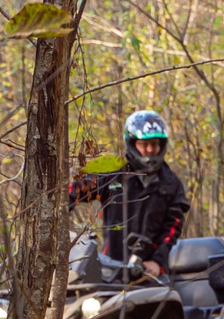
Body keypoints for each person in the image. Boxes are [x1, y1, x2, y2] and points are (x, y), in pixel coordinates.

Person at [69, 108, 191, 276]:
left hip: (149, 271)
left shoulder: (171, 182)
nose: (149, 149)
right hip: (110, 265)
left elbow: (173, 227)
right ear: (133, 143)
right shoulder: (112, 171)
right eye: (144, 144)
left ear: (161, 145)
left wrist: (157, 261)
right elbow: (72, 192)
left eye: (154, 144)